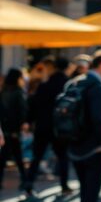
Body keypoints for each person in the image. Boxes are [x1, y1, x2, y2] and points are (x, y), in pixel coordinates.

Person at [67, 49, 101, 202]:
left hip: (74, 144)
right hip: (94, 148)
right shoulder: (98, 87)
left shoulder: (74, 83)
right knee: (92, 193)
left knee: (84, 191)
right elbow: (99, 119)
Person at [26, 56, 71, 196]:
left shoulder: (45, 85)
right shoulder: (66, 84)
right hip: (60, 127)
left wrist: (29, 120)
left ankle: (28, 185)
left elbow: (33, 104)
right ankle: (64, 186)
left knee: (37, 156)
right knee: (63, 156)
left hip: (43, 126)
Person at [0, 68, 28, 191]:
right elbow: (22, 110)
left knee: (3, 157)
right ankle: (25, 180)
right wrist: (23, 123)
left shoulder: (3, 91)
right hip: (14, 129)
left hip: (4, 128)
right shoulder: (18, 91)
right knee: (18, 156)